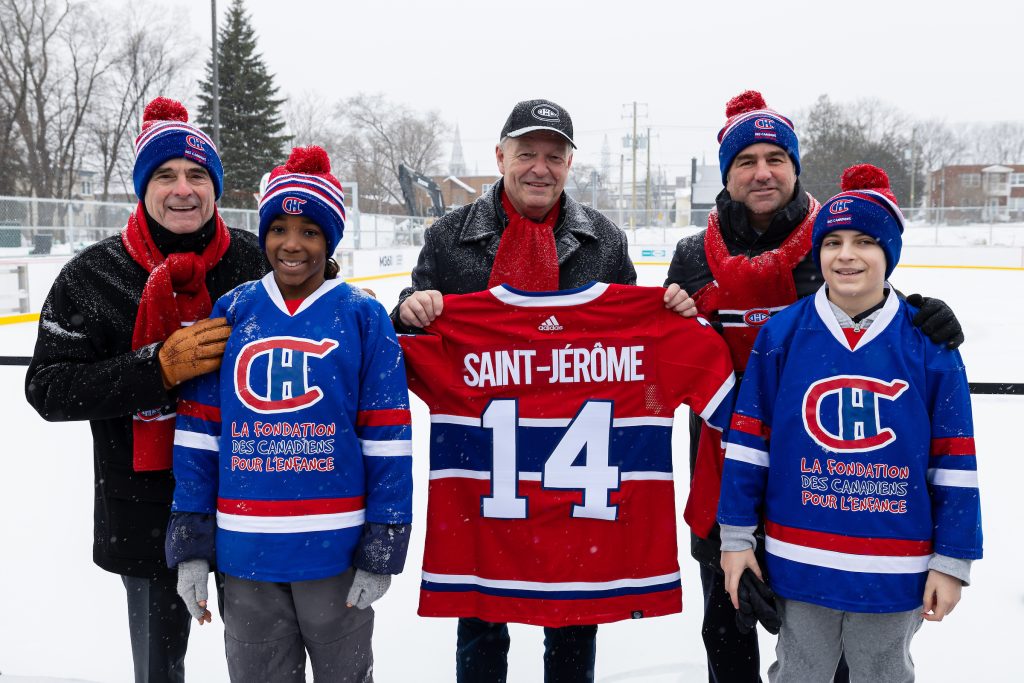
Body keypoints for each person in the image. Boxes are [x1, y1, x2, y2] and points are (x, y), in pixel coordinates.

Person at [663, 91, 964, 683]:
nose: (762, 171)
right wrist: (668, 314)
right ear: (726, 173)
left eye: (776, 156)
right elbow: (673, 358)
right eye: (745, 159)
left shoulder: (833, 237)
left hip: (827, 480)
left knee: (837, 644)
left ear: (797, 166)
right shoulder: (693, 255)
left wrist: (926, 313)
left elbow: (874, 306)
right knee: (726, 625)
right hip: (726, 469)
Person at [395, 99, 680, 683]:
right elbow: (412, 321)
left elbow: (629, 332)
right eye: (526, 153)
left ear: (570, 163)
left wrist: (669, 311)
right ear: (500, 156)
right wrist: (410, 309)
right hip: (486, 469)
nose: (539, 168)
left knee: (574, 615)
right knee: (480, 615)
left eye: (554, 156)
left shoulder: (602, 238)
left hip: (576, 474)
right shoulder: (451, 236)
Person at [24, 97, 267, 683]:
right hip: (144, 507)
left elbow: (333, 329)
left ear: (214, 187)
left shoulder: (258, 260)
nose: (182, 189)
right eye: (165, 175)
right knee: (160, 669)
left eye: (196, 175)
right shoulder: (92, 274)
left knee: (265, 663)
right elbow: (49, 387)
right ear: (142, 186)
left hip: (255, 493)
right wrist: (154, 368)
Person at [717, 164, 982, 681]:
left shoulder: (929, 346)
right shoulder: (783, 335)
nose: (846, 254)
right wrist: (736, 540)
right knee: (799, 671)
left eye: (865, 241)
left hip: (894, 563)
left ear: (889, 254)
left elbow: (955, 462)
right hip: (799, 556)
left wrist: (952, 561)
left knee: (883, 672)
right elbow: (750, 446)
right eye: (833, 240)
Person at [167, 146, 413, 682]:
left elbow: (388, 438)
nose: (292, 244)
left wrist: (384, 541)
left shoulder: (362, 314)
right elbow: (200, 433)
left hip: (336, 552)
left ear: (330, 240)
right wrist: (190, 542)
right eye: (278, 228)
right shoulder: (233, 310)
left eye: (309, 231)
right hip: (246, 549)